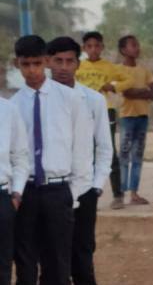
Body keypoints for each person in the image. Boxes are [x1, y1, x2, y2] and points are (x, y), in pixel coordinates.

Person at [10, 35, 93, 285]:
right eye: (26, 65)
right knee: (25, 261)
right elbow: (14, 153)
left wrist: (73, 192)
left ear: (46, 61)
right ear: (17, 64)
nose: (32, 70)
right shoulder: (14, 105)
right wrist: (16, 191)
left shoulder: (70, 99)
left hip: (59, 189)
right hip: (26, 191)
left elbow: (82, 149)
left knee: (58, 262)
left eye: (37, 63)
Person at [47, 37, 113, 285]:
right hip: (48, 190)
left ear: (78, 64)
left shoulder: (93, 100)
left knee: (83, 258)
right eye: (58, 61)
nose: (63, 67)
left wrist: (96, 185)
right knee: (51, 257)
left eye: (69, 61)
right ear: (48, 62)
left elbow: (105, 147)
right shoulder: (38, 101)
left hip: (84, 190)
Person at [75, 31, 132, 210]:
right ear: (84, 48)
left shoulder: (108, 67)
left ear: (102, 47)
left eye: (97, 46)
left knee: (109, 151)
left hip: (105, 112)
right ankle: (88, 194)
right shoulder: (78, 66)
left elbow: (128, 80)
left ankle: (118, 195)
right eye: (89, 46)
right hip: (81, 113)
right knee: (85, 152)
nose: (93, 49)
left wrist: (113, 86)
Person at [116, 35, 153, 206]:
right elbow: (126, 93)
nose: (137, 48)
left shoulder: (144, 70)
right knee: (124, 155)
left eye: (137, 44)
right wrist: (143, 92)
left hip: (142, 116)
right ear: (124, 50)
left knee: (138, 155)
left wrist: (136, 91)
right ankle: (121, 192)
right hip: (127, 117)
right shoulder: (118, 70)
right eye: (133, 45)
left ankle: (134, 193)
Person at [0, 96, 28, 285]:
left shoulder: (9, 110)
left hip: (2, 197)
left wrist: (16, 193)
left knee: (2, 265)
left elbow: (20, 156)